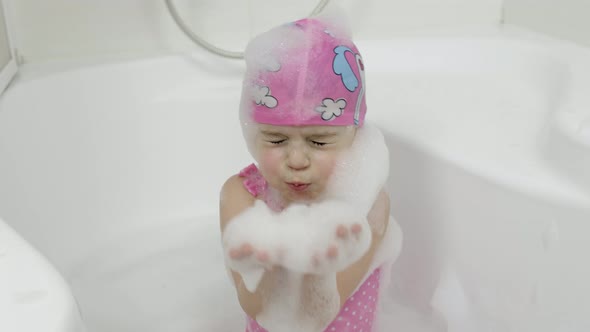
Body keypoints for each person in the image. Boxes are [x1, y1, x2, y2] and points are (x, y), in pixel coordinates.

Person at [219, 15, 401, 332]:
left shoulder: (368, 200)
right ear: (253, 131)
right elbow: (248, 302)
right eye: (276, 139)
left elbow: (326, 307)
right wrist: (275, 274)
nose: (297, 159)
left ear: (355, 136)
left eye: (319, 141)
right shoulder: (242, 194)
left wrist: (312, 272)